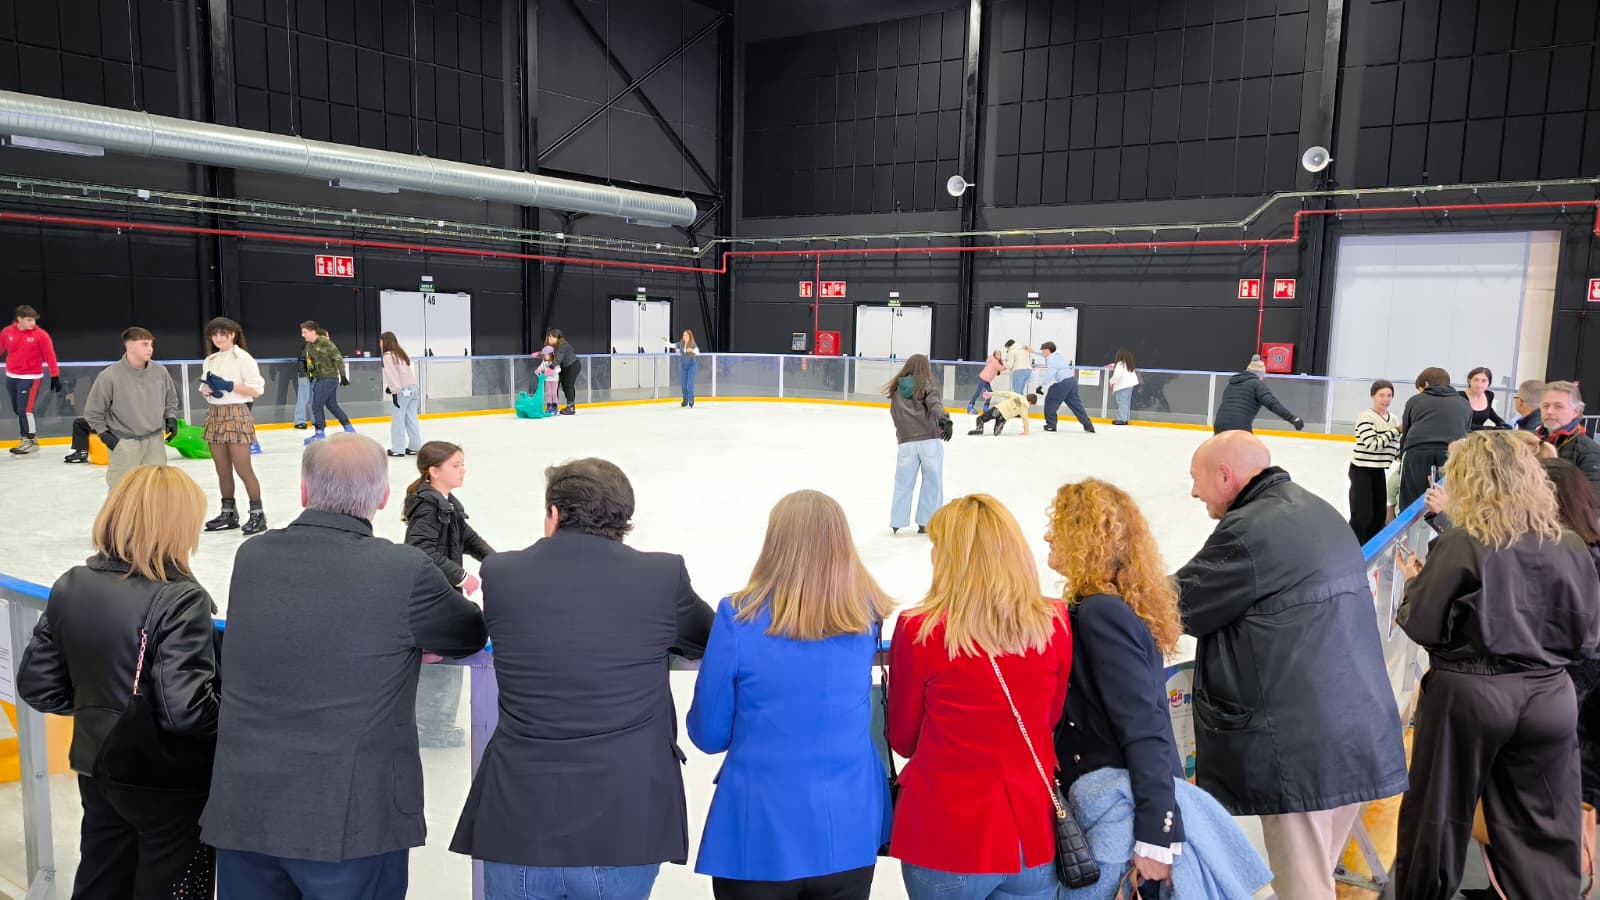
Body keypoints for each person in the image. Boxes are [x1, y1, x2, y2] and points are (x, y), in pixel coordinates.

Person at [200, 433, 488, 900]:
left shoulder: (253, 556)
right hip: (351, 824)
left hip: (246, 812)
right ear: (383, 497)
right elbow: (467, 632)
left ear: (304, 491)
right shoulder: (403, 569)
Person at [450, 458, 715, 900]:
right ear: (624, 519)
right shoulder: (661, 576)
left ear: (553, 513)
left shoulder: (502, 573)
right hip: (624, 821)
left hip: (518, 818)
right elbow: (706, 639)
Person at [1176, 431, 1408, 900]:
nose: (1195, 492)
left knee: (1305, 887)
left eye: (1196, 479)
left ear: (1225, 475)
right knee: (1316, 876)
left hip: (1302, 746)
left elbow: (1182, 602)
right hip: (1351, 727)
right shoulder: (1314, 508)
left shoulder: (1250, 529)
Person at [1390, 431, 1600, 900]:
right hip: (1550, 694)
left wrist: (1415, 586)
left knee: (1438, 815)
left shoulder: (1465, 541)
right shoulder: (1568, 544)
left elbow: (1422, 623)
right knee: (1542, 821)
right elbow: (1589, 636)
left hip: (1471, 694)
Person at [1046, 480, 1274, 899]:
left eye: (1058, 527)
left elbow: (1145, 726)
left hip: (1120, 812)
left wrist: (1155, 835)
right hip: (1115, 802)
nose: (1047, 537)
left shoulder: (1101, 613)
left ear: (1084, 538)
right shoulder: (1102, 607)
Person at [17, 465, 220, 900]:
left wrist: (99, 708)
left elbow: (38, 685)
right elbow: (185, 711)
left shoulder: (72, 584)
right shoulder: (181, 598)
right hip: (166, 781)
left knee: (102, 881)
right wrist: (235, 721)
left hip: (98, 767)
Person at [687, 490, 894, 900]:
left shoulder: (737, 617)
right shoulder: (867, 616)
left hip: (758, 833)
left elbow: (709, 735)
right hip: (849, 828)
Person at [887, 494, 1072, 900]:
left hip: (945, 836)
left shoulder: (920, 630)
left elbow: (903, 738)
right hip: (1030, 835)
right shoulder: (1055, 621)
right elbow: (1050, 718)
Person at [403, 440, 494, 749]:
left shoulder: (446, 502)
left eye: (462, 464)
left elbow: (467, 538)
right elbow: (420, 549)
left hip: (441, 593)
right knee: (443, 654)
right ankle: (433, 727)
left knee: (446, 653)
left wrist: (495, 561)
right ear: (434, 471)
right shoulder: (428, 505)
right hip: (430, 597)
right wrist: (462, 576)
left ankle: (436, 724)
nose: (462, 470)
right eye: (455, 465)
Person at [83, 327, 180, 490]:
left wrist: (171, 417)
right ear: (129, 346)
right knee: (122, 491)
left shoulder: (160, 371)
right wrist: (104, 434)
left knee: (156, 490)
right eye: (144, 344)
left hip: (154, 443)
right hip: (124, 443)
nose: (150, 349)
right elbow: (93, 411)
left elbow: (170, 399)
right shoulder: (109, 376)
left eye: (151, 344)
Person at [198, 317, 267, 535]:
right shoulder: (210, 359)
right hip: (215, 414)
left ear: (233, 335)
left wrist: (230, 386)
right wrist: (207, 390)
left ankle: (257, 514)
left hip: (237, 414)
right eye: (214, 334)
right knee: (222, 469)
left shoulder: (244, 359)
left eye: (223, 333)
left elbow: (257, 390)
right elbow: (205, 387)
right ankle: (228, 512)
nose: (218, 338)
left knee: (243, 468)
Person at [885, 353, 945, 535]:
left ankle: (897, 521)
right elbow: (935, 405)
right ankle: (926, 522)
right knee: (932, 482)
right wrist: (945, 421)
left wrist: (904, 434)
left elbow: (895, 415)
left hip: (906, 443)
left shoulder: (897, 390)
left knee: (903, 482)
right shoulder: (926, 385)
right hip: (929, 440)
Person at [1397, 366, 1471, 511]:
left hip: (1416, 452)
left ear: (1426, 384)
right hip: (1451, 454)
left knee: (1412, 501)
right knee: (1447, 498)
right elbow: (1466, 432)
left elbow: (1406, 429)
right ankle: (1441, 524)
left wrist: (1401, 455)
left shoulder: (1415, 400)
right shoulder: (1464, 402)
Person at [1, 304, 61, 455]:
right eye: (29, 320)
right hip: (11, 376)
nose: (32, 323)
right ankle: (23, 438)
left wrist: (55, 375)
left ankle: (31, 440)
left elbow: (50, 355)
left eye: (34, 320)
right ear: (19, 319)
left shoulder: (41, 335)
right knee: (18, 410)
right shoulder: (7, 332)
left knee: (25, 410)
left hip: (31, 377)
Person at [1350, 380, 1402, 544]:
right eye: (1381, 395)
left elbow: (1393, 447)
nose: (1386, 399)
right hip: (1361, 470)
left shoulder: (1393, 418)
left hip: (1379, 470)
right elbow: (1372, 444)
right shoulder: (1366, 417)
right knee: (1363, 515)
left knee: (1379, 514)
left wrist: (1405, 456)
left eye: (1389, 395)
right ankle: (1357, 547)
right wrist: (1395, 431)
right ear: (1373, 396)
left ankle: (1374, 548)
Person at [1539, 380, 1600, 506]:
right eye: (1545, 406)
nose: (1549, 411)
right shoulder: (1532, 440)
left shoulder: (1588, 450)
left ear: (1576, 411)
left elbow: (1593, 500)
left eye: (1558, 406)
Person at [1212, 355, 1303, 434]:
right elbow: (1272, 403)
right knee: (1251, 448)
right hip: (1239, 426)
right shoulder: (1257, 384)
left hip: (1219, 425)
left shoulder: (1232, 384)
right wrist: (1292, 418)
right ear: (1260, 374)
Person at [299, 320, 353, 444]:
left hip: (328, 379)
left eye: (305, 332)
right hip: (320, 379)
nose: (303, 335)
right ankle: (349, 428)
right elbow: (310, 363)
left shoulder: (326, 343)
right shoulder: (309, 346)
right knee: (331, 405)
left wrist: (343, 376)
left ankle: (320, 433)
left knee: (316, 406)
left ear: (313, 332)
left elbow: (338, 358)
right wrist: (311, 375)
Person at [381, 332, 422, 458]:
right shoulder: (400, 354)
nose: (380, 344)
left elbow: (392, 374)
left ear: (385, 342)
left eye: (381, 341)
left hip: (402, 391)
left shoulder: (388, 356)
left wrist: (394, 390)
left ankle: (398, 449)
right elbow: (403, 373)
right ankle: (415, 446)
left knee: (398, 420)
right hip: (413, 388)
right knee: (411, 418)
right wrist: (391, 387)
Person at [1039, 341, 1095, 433]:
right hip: (1071, 382)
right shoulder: (1058, 355)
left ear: (1047, 350)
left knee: (1051, 401)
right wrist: (1033, 352)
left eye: (1043, 350)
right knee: (1076, 405)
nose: (1042, 352)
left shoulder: (1051, 360)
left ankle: (1051, 425)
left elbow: (1050, 374)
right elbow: (1044, 356)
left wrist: (1041, 386)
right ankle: (1088, 425)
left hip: (1063, 383)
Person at [967, 389, 1037, 436]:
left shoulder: (1017, 396)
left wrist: (991, 394)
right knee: (996, 433)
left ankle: (979, 429)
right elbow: (1025, 421)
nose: (1030, 406)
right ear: (1030, 402)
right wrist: (1026, 432)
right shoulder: (1024, 409)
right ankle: (997, 429)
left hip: (998, 410)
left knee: (980, 418)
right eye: (1031, 404)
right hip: (1004, 417)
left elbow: (1003, 393)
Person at [1460, 366, 1509, 430]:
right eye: (1476, 380)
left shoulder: (1489, 395)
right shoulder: (1460, 397)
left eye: (1484, 381)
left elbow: (1490, 412)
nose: (1479, 384)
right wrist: (1489, 428)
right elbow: (1462, 424)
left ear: (1489, 383)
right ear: (1469, 381)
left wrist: (1502, 423)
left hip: (1480, 433)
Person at [545, 329, 581, 415]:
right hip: (564, 367)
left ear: (556, 338)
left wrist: (548, 369)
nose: (549, 338)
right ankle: (554, 405)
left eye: (551, 337)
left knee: (568, 386)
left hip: (572, 366)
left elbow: (557, 359)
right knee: (562, 386)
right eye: (549, 336)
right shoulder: (555, 345)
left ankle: (571, 407)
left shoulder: (562, 346)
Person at [667, 329, 700, 408]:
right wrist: (667, 341)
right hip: (683, 366)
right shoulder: (681, 343)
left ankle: (691, 399)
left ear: (689, 336)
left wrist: (691, 350)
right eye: (683, 335)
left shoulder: (692, 344)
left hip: (692, 366)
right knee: (683, 384)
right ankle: (685, 400)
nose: (684, 336)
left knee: (690, 383)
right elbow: (672, 345)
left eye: (686, 335)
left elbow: (697, 352)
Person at [1107, 349, 1140, 426]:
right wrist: (1113, 365)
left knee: (1122, 402)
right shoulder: (1128, 364)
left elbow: (1117, 375)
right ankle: (1125, 418)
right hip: (1129, 385)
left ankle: (1121, 419)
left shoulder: (1120, 364)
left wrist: (1111, 381)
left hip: (1123, 386)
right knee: (1126, 402)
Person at [967, 349, 1003, 415]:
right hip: (983, 378)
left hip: (986, 380)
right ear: (994, 355)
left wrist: (1004, 361)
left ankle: (985, 407)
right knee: (978, 392)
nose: (999, 356)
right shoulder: (994, 361)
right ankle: (970, 406)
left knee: (990, 393)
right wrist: (1008, 364)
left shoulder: (997, 362)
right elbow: (1001, 368)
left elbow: (1001, 365)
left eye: (1000, 355)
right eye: (997, 354)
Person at [535, 348, 561, 414]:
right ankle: (549, 407)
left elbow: (559, 369)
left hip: (555, 379)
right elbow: (540, 367)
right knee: (548, 393)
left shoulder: (555, 362)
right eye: (544, 355)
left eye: (547, 355)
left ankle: (555, 407)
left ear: (551, 355)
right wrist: (538, 371)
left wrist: (553, 371)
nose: (545, 356)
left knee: (554, 393)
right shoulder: (544, 362)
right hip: (547, 379)